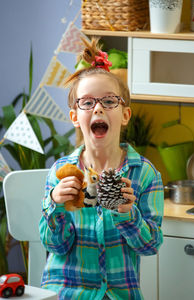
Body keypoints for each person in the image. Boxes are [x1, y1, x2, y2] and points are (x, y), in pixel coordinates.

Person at [39, 38, 164, 300]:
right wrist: (55, 205)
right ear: (75, 117)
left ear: (125, 115)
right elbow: (55, 245)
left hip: (119, 294)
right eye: (87, 102)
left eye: (109, 101)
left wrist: (128, 214)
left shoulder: (143, 174)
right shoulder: (61, 171)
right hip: (65, 292)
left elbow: (150, 246)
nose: (98, 107)